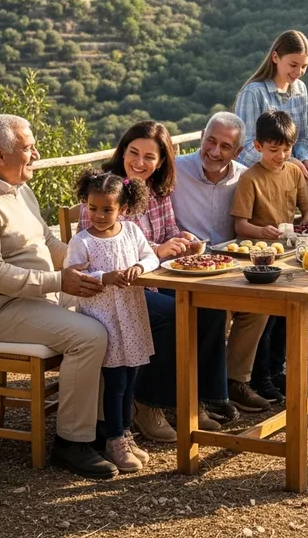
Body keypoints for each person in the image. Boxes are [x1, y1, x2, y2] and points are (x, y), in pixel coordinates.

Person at [0, 115, 118, 479]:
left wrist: (94, 263)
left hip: (38, 298)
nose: (36, 154)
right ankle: (71, 443)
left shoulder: (19, 188)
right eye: (28, 148)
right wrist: (59, 281)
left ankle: (104, 427)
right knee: (90, 336)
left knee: (110, 312)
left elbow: (47, 242)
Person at [77, 121, 231, 441]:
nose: (139, 162)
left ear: (161, 162)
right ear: (122, 152)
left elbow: (168, 232)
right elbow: (103, 249)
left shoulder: (158, 192)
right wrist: (157, 250)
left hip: (153, 280)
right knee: (173, 316)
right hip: (116, 288)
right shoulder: (104, 190)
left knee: (212, 307)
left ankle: (193, 399)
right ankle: (146, 404)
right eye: (134, 153)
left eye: (149, 157)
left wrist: (184, 240)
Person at [171, 112, 270, 414]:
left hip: (228, 267)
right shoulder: (174, 170)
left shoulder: (245, 177)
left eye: (225, 147)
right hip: (183, 269)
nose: (214, 151)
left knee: (260, 304)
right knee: (216, 309)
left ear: (237, 152)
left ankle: (234, 381)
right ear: (202, 136)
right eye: (211, 141)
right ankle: (207, 391)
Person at [66, 170, 159, 472]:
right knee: (116, 381)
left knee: (131, 377)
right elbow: (73, 276)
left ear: (123, 208)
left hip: (130, 315)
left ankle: (126, 433)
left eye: (107, 209)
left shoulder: (131, 232)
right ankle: (113, 438)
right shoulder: (82, 241)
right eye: (93, 208)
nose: (99, 215)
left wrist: (138, 267)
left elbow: (151, 258)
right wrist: (104, 277)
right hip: (102, 317)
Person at [230, 110, 308, 402]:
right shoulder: (250, 178)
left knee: (284, 319)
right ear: (258, 146)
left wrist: (307, 222)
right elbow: (240, 225)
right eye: (273, 150)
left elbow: (307, 208)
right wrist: (261, 231)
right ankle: (260, 377)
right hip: (258, 258)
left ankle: (277, 371)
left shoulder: (294, 171)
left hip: (287, 252)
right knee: (264, 319)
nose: (281, 156)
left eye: (286, 149)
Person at [234, 30, 308, 179]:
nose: (299, 72)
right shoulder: (253, 93)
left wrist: (305, 159)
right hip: (255, 180)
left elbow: (300, 139)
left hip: (288, 180)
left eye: (304, 66)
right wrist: (287, 162)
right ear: (275, 57)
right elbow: (245, 149)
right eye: (293, 65)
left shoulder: (300, 89)